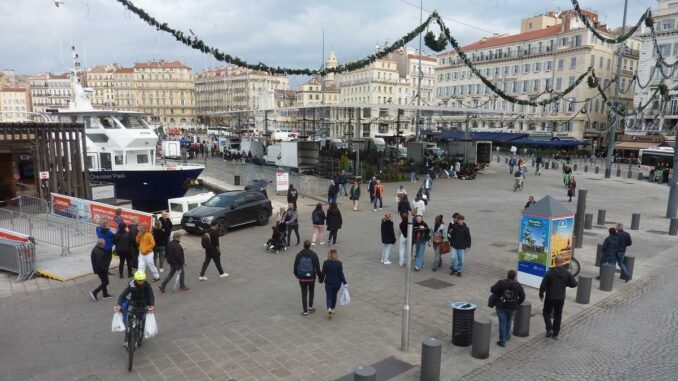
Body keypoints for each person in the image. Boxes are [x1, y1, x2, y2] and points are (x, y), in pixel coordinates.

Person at [539, 255, 578, 339]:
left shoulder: (549, 273)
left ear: (554, 262)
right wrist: (566, 284)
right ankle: (555, 333)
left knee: (546, 312)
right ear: (562, 262)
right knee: (558, 315)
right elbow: (574, 284)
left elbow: (543, 285)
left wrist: (541, 294)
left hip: (550, 297)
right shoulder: (567, 273)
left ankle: (549, 328)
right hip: (560, 298)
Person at [114, 271, 156, 347]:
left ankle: (141, 334)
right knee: (127, 319)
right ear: (136, 280)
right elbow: (122, 296)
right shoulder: (131, 285)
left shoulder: (147, 285)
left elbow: (151, 296)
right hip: (133, 304)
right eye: (139, 280)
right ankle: (126, 338)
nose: (141, 281)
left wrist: (152, 305)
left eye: (143, 279)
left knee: (144, 318)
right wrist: (118, 305)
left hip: (144, 304)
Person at [490, 269, 526, 347]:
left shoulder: (501, 283)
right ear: (515, 276)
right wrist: (517, 303)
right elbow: (523, 297)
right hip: (512, 307)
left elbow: (492, 289)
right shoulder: (518, 285)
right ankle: (507, 336)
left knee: (502, 323)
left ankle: (502, 341)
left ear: (507, 275)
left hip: (501, 306)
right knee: (509, 321)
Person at [293, 240, 322, 316]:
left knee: (304, 293)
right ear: (309, 246)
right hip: (311, 277)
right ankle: (310, 307)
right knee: (311, 291)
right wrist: (320, 277)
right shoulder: (314, 255)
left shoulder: (299, 255)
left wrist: (297, 276)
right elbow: (318, 268)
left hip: (302, 277)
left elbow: (295, 268)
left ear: (303, 245)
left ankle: (305, 311)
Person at [319, 249, 347, 319]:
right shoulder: (339, 263)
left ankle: (329, 308)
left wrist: (321, 280)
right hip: (337, 283)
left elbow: (323, 273)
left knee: (329, 296)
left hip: (328, 282)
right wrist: (345, 282)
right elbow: (341, 274)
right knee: (334, 295)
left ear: (329, 255)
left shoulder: (326, 263)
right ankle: (333, 308)